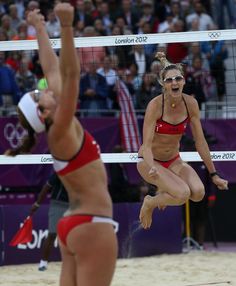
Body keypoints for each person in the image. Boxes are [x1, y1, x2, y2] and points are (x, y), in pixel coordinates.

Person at [5, 3, 118, 286]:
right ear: (42, 113)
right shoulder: (62, 129)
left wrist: (40, 27)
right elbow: (70, 76)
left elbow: (52, 69)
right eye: (37, 94)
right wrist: (66, 27)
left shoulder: (57, 127)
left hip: (72, 225)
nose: (42, 89)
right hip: (92, 224)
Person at [137, 51, 228, 230]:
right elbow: (146, 145)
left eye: (178, 79)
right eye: (169, 80)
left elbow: (200, 142)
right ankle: (150, 202)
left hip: (173, 160)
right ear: (163, 84)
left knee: (199, 193)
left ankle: (161, 193)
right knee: (182, 194)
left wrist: (214, 174)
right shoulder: (155, 105)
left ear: (184, 81)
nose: (174, 82)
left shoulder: (190, 104)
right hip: (149, 162)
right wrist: (152, 167)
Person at [30, 172, 69, 271]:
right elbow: (46, 187)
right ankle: (43, 263)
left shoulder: (81, 171)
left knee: (75, 236)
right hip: (58, 204)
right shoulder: (60, 170)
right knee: (52, 234)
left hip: (73, 205)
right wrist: (37, 204)